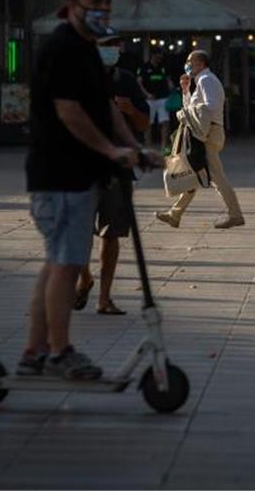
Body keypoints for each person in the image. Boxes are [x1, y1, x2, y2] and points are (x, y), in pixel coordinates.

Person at [20, 0, 158, 380]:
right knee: (65, 264)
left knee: (58, 263)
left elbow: (105, 109)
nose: (102, 10)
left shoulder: (87, 51)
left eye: (106, 4)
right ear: (71, 6)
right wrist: (110, 150)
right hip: (59, 173)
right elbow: (70, 112)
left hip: (79, 176)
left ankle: (34, 352)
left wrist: (135, 147)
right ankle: (58, 351)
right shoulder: (62, 48)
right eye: (94, 2)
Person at [75, 34, 149, 316]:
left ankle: (104, 298)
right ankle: (85, 277)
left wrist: (130, 110)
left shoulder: (126, 80)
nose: (112, 50)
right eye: (106, 45)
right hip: (82, 167)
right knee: (78, 230)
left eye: (115, 45)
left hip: (118, 170)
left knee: (112, 232)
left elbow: (144, 121)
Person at [155, 50, 245, 230]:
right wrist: (186, 91)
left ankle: (235, 215)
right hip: (204, 133)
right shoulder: (201, 81)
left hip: (207, 134)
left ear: (201, 63)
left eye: (190, 61)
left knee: (216, 177)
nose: (187, 64)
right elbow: (194, 108)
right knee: (193, 173)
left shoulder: (206, 80)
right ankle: (175, 214)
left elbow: (207, 109)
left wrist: (185, 113)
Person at [138, 52, 175, 148]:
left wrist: (171, 86)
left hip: (163, 98)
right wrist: (146, 94)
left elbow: (168, 79)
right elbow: (139, 82)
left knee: (165, 122)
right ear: (152, 56)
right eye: (157, 57)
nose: (159, 60)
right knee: (148, 123)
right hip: (150, 99)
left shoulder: (163, 67)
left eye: (160, 58)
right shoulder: (144, 67)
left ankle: (163, 146)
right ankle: (148, 146)